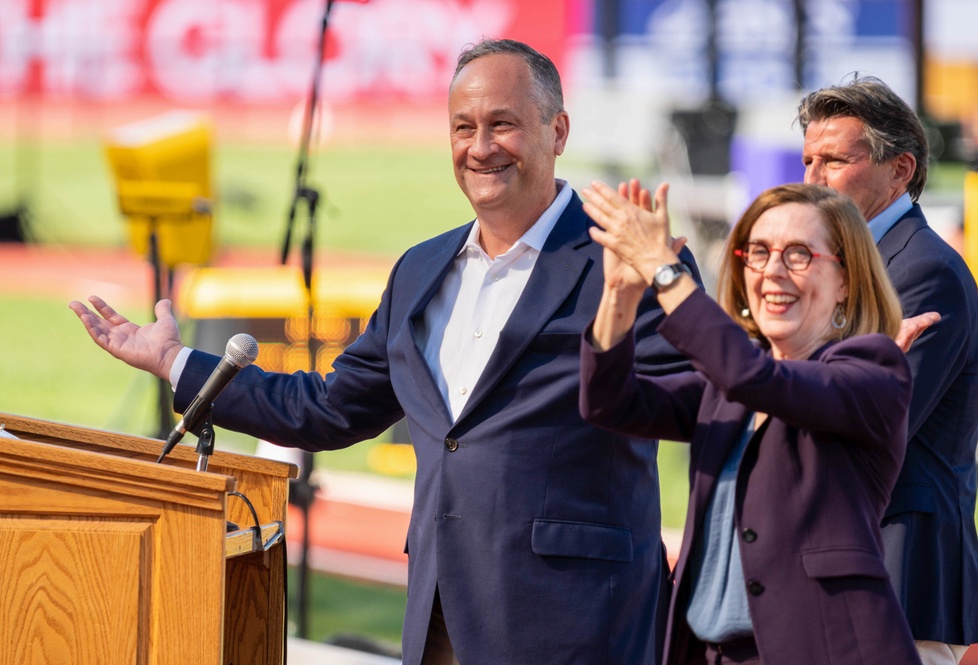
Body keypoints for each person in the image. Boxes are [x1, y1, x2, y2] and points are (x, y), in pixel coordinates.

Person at [70, 39, 701, 665]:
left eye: (502, 124)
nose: (480, 147)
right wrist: (175, 362)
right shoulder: (422, 269)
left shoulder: (628, 255)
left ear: (557, 130)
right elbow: (326, 410)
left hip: (583, 622)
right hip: (440, 618)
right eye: (463, 127)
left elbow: (692, 401)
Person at [579, 180, 921, 664]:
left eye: (799, 254)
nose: (773, 271)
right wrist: (619, 293)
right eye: (758, 252)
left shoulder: (873, 369)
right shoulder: (727, 390)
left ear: (845, 280)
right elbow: (611, 403)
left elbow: (753, 376)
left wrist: (664, 271)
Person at [798, 77, 978, 663]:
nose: (812, 179)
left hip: (899, 575)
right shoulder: (856, 260)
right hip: (856, 567)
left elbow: (874, 429)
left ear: (900, 170)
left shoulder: (922, 271)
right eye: (807, 160)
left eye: (833, 160)